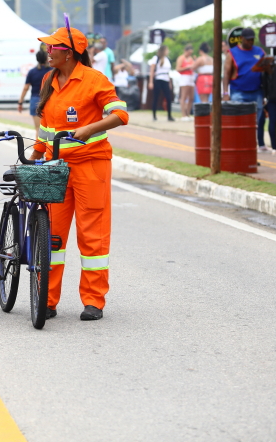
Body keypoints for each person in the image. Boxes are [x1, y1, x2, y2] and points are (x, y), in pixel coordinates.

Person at [31, 26, 128, 321]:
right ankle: (46, 299)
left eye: (54, 47)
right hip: (56, 168)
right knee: (52, 237)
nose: (48, 52)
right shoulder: (49, 79)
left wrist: (89, 128)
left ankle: (93, 301)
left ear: (69, 54)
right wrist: (35, 154)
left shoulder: (94, 80)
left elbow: (120, 114)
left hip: (91, 165)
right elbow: (47, 127)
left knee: (92, 236)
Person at [224, 28, 269, 150]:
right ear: (242, 39)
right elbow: (227, 74)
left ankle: (250, 147)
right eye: (248, 39)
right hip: (238, 91)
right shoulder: (232, 53)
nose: (250, 42)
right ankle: (238, 145)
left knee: (256, 123)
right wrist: (225, 93)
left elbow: (267, 71)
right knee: (239, 121)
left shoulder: (259, 51)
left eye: (252, 39)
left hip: (257, 92)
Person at [18, 50, 49, 132]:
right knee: (50, 129)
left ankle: (38, 145)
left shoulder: (32, 72)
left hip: (35, 100)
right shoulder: (52, 71)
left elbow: (26, 88)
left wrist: (20, 102)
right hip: (49, 100)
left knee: (39, 129)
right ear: (46, 58)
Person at [148, 45, 174, 121]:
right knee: (156, 97)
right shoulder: (156, 58)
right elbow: (152, 71)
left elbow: (168, 72)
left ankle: (169, 115)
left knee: (168, 98)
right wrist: (151, 82)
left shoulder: (167, 60)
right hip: (158, 79)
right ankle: (154, 115)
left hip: (166, 79)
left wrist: (169, 82)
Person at [175, 44, 195, 121]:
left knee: (191, 97)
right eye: (189, 52)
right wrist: (187, 67)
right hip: (184, 77)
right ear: (186, 51)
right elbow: (178, 68)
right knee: (184, 96)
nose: (189, 54)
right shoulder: (181, 58)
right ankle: (183, 115)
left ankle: (188, 114)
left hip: (191, 77)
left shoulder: (191, 59)